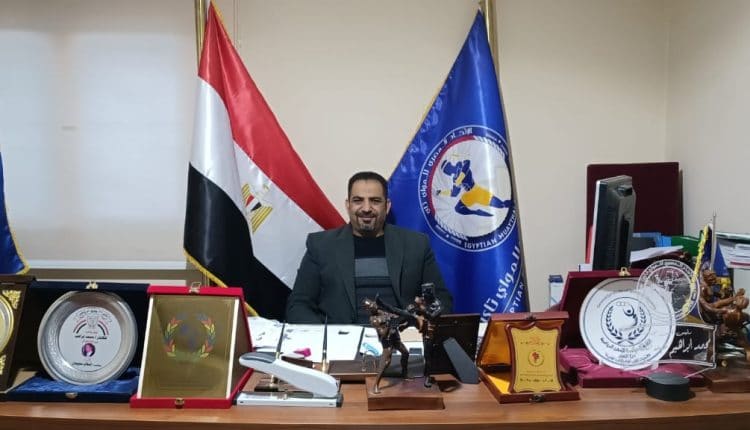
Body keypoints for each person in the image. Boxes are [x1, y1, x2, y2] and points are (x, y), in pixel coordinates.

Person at [286, 171, 453, 324]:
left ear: (387, 206)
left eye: (375, 201)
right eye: (358, 200)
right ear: (348, 205)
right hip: (342, 342)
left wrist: (423, 320)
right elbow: (298, 306)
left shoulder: (416, 244)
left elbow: (442, 300)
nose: (366, 209)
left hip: (400, 339)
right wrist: (328, 337)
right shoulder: (321, 245)